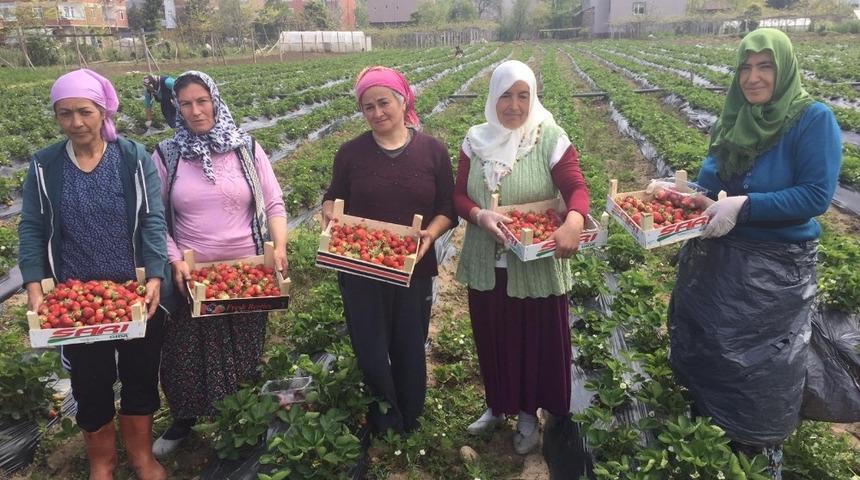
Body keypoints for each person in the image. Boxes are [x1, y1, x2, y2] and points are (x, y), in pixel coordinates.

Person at [668, 29, 841, 479]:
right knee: (710, 350)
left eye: (765, 66)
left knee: (761, 368)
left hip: (773, 275)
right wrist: (687, 196)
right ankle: (709, 441)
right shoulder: (733, 118)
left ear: (784, 70)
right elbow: (714, 184)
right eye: (745, 67)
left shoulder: (812, 120)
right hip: (717, 263)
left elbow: (816, 195)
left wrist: (746, 207)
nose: (753, 77)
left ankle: (759, 454)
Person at [18, 69, 176, 480]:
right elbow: (32, 226)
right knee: (90, 382)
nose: (76, 122)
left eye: (84, 112)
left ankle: (140, 456)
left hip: (133, 290)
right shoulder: (45, 165)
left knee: (141, 374)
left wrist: (155, 275)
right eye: (65, 113)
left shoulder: (132, 157)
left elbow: (152, 218)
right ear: (56, 116)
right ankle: (102, 462)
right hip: (77, 295)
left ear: (103, 111)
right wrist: (34, 284)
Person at [453, 60, 589, 455]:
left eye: (523, 96)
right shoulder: (475, 140)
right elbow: (457, 195)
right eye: (506, 96)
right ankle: (497, 405)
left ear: (533, 97)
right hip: (488, 262)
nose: (514, 105)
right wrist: (478, 215)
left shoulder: (549, 138)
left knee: (532, 341)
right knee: (493, 336)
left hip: (535, 263)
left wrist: (575, 220)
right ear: (493, 98)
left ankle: (528, 415)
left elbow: (576, 187)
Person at [151, 71, 289, 456]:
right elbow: (154, 217)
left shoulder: (246, 147)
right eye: (185, 104)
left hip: (247, 271)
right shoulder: (167, 154)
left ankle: (241, 417)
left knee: (242, 347)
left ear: (215, 101)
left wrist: (279, 246)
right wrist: (174, 259)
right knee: (185, 352)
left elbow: (274, 202)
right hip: (192, 274)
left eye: (202, 101)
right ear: (176, 108)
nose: (195, 111)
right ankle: (185, 419)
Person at [322, 66, 456, 435]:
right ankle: (382, 414)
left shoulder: (432, 151)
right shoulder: (350, 154)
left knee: (409, 343)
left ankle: (409, 417)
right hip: (360, 265)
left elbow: (448, 206)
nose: (378, 113)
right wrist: (329, 210)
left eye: (384, 103)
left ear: (403, 101)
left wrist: (430, 233)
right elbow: (333, 196)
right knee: (369, 345)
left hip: (413, 265)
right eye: (368, 107)